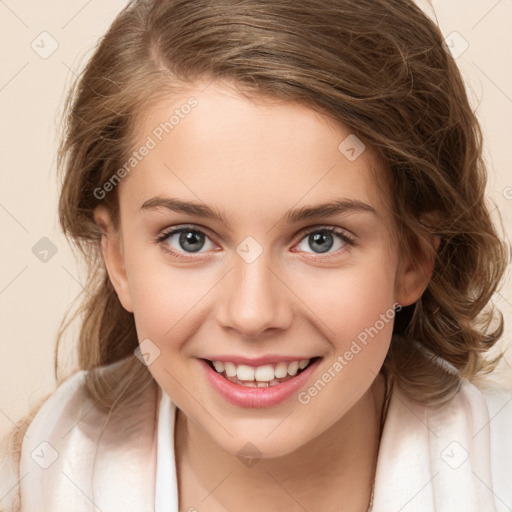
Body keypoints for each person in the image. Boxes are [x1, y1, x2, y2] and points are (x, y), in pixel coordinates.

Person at [1, 0, 511, 511]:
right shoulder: (37, 484)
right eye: (190, 239)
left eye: (321, 239)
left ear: (414, 258)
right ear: (118, 259)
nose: (252, 314)